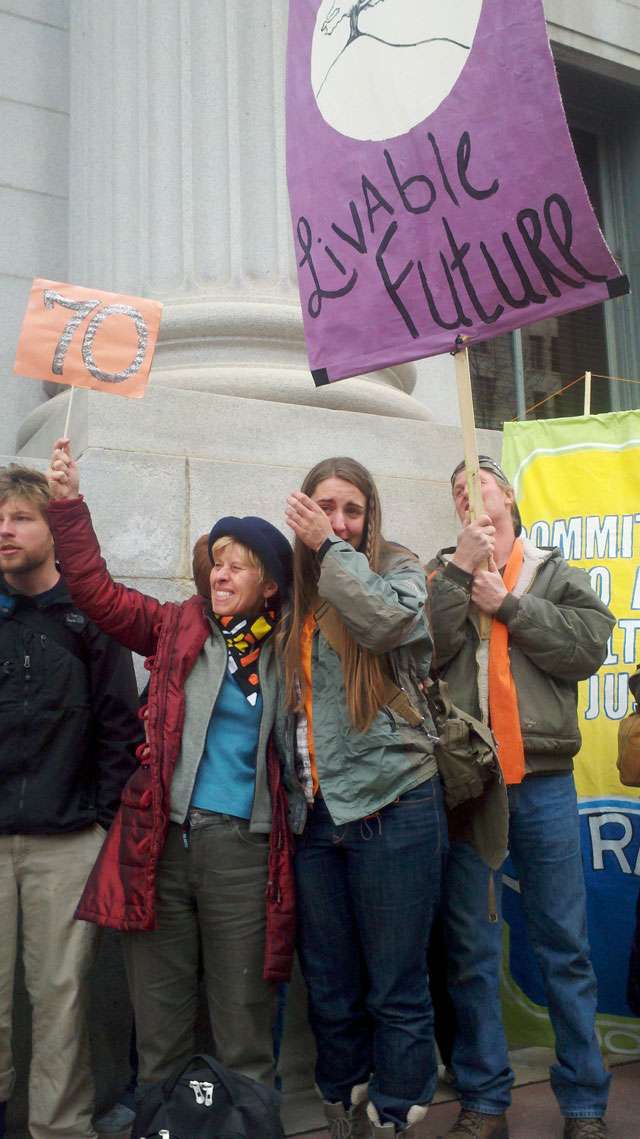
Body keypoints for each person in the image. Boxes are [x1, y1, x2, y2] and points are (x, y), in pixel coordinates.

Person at [46, 439, 294, 1098]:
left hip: (244, 852)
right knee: (159, 1028)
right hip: (162, 842)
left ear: (269, 584)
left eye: (238, 566)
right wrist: (68, 506)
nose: (220, 573)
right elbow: (95, 592)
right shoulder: (176, 627)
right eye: (217, 563)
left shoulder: (292, 652)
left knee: (242, 1029)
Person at [426, 455, 615, 1139]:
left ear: (508, 495)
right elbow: (427, 652)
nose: (466, 491)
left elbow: (590, 645)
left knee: (564, 943)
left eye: (478, 479)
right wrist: (457, 578)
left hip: (541, 780)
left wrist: (507, 604)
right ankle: (484, 1099)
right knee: (472, 946)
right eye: (456, 489)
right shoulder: (439, 572)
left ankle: (586, 1107)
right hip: (472, 784)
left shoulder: (554, 572)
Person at [278, 456, 445, 1138]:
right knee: (331, 987)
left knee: (397, 987)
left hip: (394, 804)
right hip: (316, 817)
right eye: (325, 506)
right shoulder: (293, 592)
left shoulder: (398, 571)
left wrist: (329, 546)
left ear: (370, 515)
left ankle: (397, 1115)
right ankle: (343, 1106)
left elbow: (381, 623)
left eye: (352, 508)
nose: (338, 519)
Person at [0, 464, 139, 1139]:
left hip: (67, 841)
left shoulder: (91, 619)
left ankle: (59, 1128)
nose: (5, 528)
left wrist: (101, 822)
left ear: (53, 528)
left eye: (21, 515)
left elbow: (122, 727)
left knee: (60, 1001)